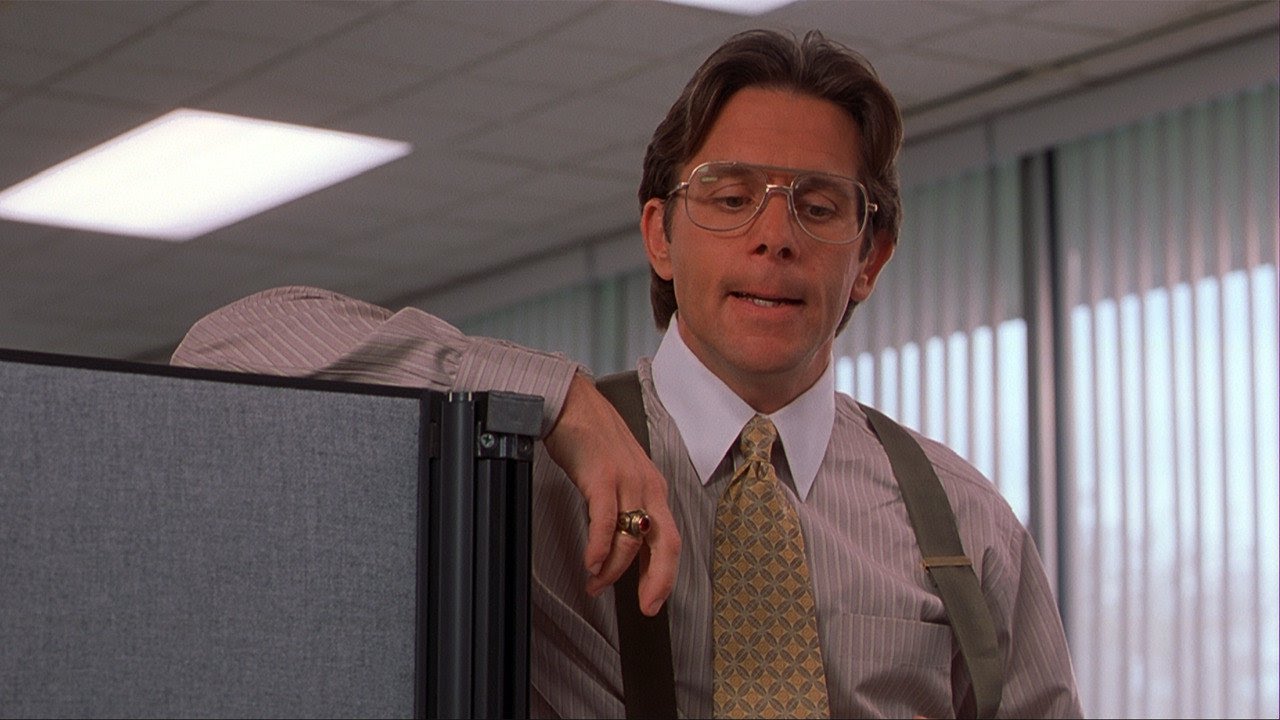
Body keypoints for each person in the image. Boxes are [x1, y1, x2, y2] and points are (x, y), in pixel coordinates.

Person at [173, 29, 1082, 719]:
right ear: (660, 236)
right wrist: (565, 405)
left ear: (869, 256)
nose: (775, 236)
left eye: (818, 206)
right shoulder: (528, 467)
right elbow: (221, 349)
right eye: (731, 198)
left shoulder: (965, 522)